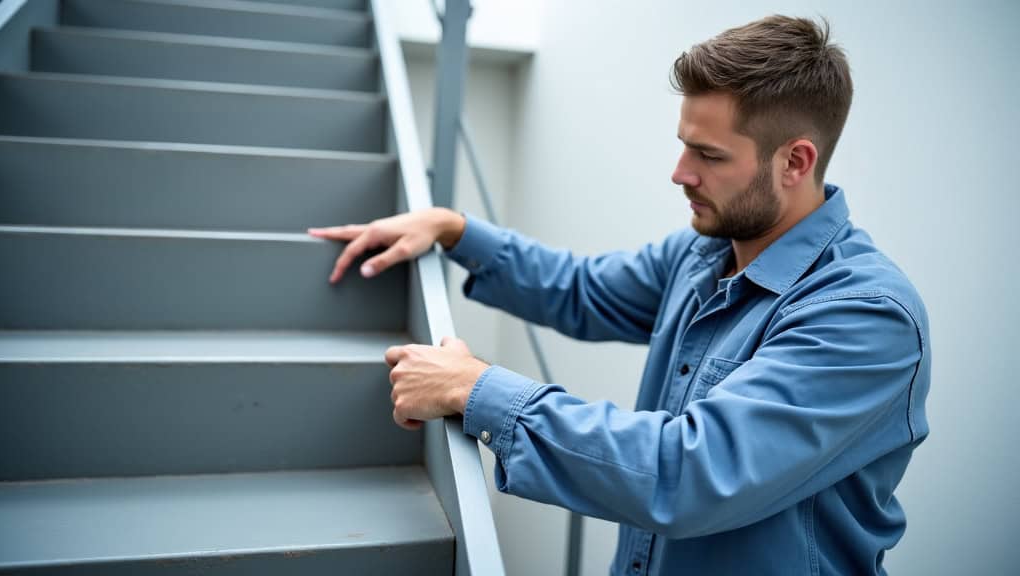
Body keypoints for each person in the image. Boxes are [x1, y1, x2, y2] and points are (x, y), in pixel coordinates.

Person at [308, 15, 930, 576]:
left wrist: (477, 390)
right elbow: (583, 289)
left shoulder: (865, 317)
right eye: (684, 143)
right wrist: (454, 229)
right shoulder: (704, 252)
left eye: (708, 155)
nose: (680, 172)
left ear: (795, 162)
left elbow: (689, 474)